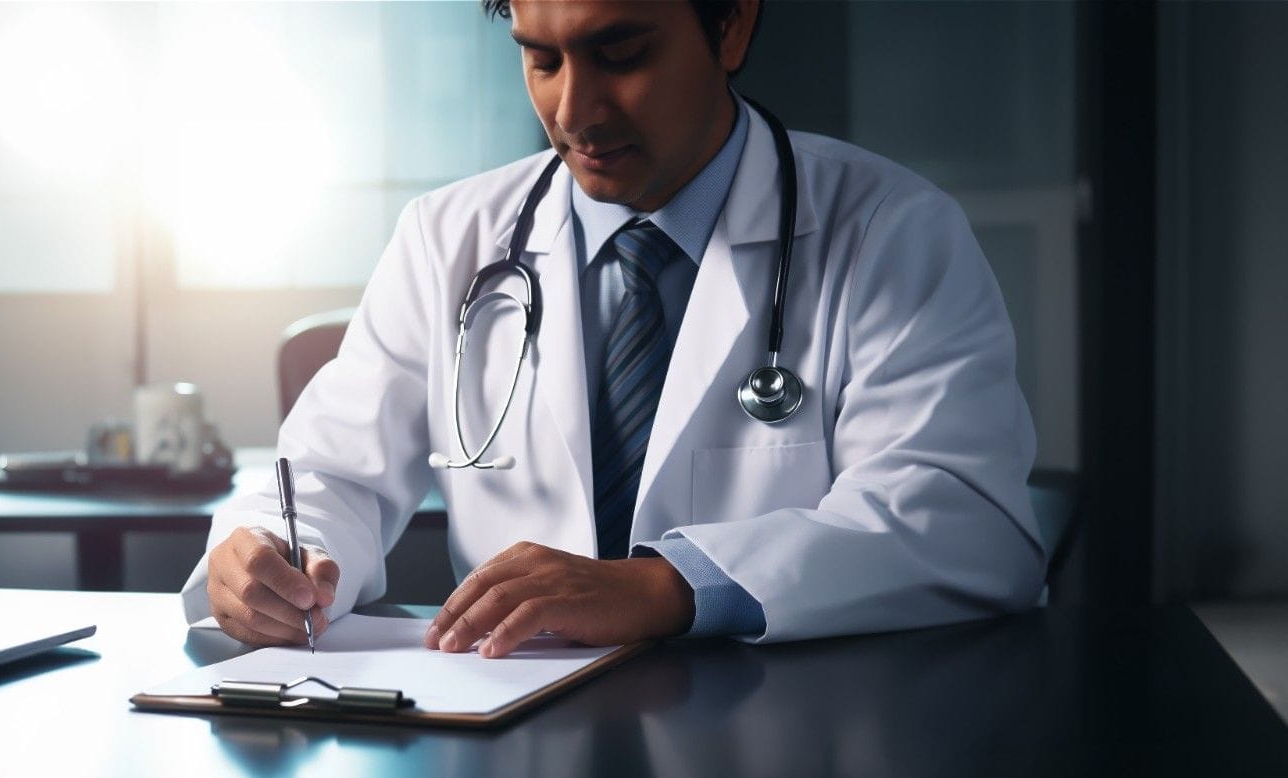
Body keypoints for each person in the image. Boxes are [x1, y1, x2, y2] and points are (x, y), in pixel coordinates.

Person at [181, 0, 1046, 655]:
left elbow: (964, 521)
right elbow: (331, 475)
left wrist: (669, 587)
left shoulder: (887, 230)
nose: (576, 110)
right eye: (541, 59)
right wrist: (274, 556)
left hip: (789, 747)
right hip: (509, 736)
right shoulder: (447, 238)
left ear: (733, 26)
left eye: (621, 54)